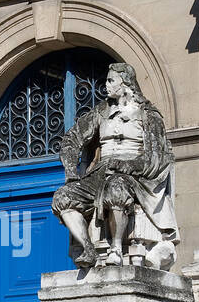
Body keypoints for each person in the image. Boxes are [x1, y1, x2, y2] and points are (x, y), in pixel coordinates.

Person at [51, 60, 179, 271]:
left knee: (116, 189)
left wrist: (125, 165)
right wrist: (71, 170)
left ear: (125, 83)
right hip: (100, 172)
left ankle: (116, 249)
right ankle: (87, 248)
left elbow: (157, 158)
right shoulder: (101, 112)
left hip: (134, 174)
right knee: (63, 197)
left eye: (111, 81)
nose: (106, 85)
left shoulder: (148, 115)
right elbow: (71, 139)